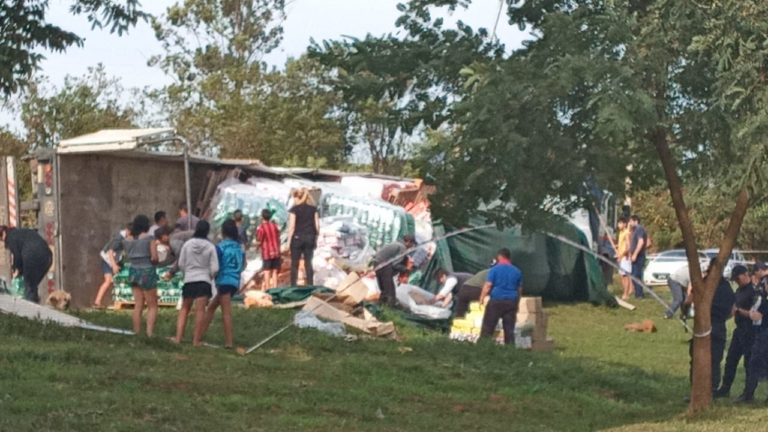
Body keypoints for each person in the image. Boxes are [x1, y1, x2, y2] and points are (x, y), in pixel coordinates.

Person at [685, 259, 734, 396]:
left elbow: (689, 300)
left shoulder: (703, 283)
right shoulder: (727, 287)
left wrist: (686, 309)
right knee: (715, 360)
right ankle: (711, 390)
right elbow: (731, 311)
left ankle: (697, 391)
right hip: (719, 327)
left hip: (703, 326)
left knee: (697, 359)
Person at [172, 220, 219, 347]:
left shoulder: (187, 244)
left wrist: (187, 273)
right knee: (200, 311)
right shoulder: (210, 246)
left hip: (189, 280)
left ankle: (178, 337)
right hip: (204, 281)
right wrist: (209, 276)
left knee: (184, 309)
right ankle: (196, 340)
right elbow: (215, 268)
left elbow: (181, 263)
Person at [715, 265, 756, 398]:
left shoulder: (753, 292)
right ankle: (725, 388)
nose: (737, 281)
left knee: (749, 363)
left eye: (738, 278)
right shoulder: (738, 291)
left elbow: (754, 314)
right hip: (739, 331)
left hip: (751, 331)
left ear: (745, 274)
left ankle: (748, 393)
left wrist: (738, 310)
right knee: (731, 360)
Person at [202, 220, 244, 349]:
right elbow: (243, 264)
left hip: (224, 280)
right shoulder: (239, 247)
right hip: (235, 281)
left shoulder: (220, 247)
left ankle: (229, 342)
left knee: (226, 312)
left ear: (223, 232)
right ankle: (199, 334)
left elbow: (215, 264)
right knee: (211, 307)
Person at [118, 215, 159, 337]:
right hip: (147, 271)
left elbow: (125, 256)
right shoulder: (150, 239)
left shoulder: (127, 240)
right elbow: (154, 257)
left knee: (138, 304)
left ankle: (137, 332)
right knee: (152, 305)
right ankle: (149, 333)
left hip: (133, 271)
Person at [479, 248, 523, 345]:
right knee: (509, 329)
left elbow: (488, 285)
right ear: (509, 258)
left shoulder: (494, 270)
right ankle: (509, 348)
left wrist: (481, 298)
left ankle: (483, 347)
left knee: (488, 327)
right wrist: (517, 302)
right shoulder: (517, 271)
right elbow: (519, 289)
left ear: (499, 257)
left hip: (496, 301)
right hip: (511, 302)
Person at [736, 273, 768, 403]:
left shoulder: (765, 301)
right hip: (761, 334)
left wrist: (744, 312)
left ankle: (748, 394)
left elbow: (756, 316)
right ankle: (749, 394)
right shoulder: (763, 298)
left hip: (764, 335)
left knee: (754, 363)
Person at [0, 225, 53, 303]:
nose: (2, 240)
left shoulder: (11, 237)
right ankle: (35, 304)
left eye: (1, 237)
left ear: (4, 232)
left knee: (29, 286)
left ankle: (30, 310)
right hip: (47, 256)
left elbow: (17, 256)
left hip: (33, 256)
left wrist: (16, 270)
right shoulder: (20, 232)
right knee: (32, 285)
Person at [93, 222, 132, 307]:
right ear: (128, 231)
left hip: (114, 261)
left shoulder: (122, 237)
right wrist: (114, 265)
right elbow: (110, 252)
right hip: (108, 261)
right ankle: (97, 301)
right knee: (108, 281)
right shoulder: (118, 238)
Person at [287, 189, 319, 287]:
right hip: (310, 237)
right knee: (308, 263)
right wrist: (315, 239)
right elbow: (317, 226)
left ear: (297, 198)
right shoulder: (313, 209)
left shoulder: (294, 209)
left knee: (294, 263)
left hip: (297, 237)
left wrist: (288, 242)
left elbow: (291, 226)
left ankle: (293, 285)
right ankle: (310, 285)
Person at [373, 235, 416, 306]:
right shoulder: (402, 248)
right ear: (408, 242)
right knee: (390, 293)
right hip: (385, 265)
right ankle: (388, 310)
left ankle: (380, 306)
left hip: (377, 263)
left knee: (384, 290)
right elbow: (395, 265)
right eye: (412, 244)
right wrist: (406, 269)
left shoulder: (396, 243)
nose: (412, 246)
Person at [256, 209, 281, 290]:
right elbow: (278, 236)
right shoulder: (274, 226)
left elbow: (259, 240)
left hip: (267, 253)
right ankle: (275, 289)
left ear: (262, 217)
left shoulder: (261, 228)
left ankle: (268, 289)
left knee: (267, 271)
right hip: (276, 251)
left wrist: (257, 247)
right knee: (274, 271)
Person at [628, 215, 648, 299]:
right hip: (635, 256)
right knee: (634, 276)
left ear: (635, 221)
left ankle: (639, 294)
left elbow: (641, 242)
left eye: (631, 221)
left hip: (639, 256)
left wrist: (635, 254)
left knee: (636, 275)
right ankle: (638, 294)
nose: (629, 223)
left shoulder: (639, 229)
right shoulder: (635, 230)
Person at [616, 217, 632, 300]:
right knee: (622, 276)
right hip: (620, 257)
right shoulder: (620, 233)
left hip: (625, 257)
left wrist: (622, 255)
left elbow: (628, 247)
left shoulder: (627, 233)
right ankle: (625, 293)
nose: (619, 225)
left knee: (626, 276)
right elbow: (621, 245)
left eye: (620, 223)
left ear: (624, 224)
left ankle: (626, 294)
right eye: (618, 223)